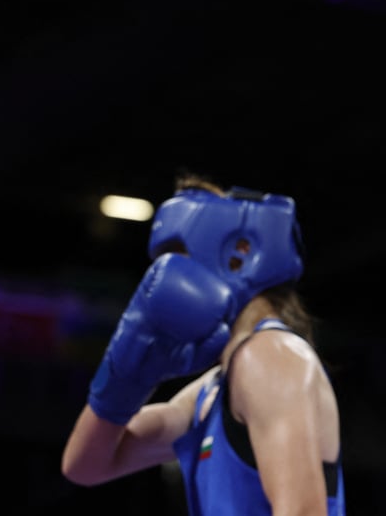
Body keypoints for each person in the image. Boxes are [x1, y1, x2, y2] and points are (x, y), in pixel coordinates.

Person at [62, 173, 346, 516]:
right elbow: (86, 466)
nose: (171, 278)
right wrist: (127, 375)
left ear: (240, 252)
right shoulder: (211, 391)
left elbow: (302, 512)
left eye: (180, 257)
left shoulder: (271, 356)